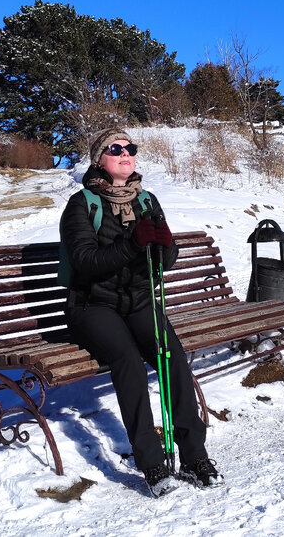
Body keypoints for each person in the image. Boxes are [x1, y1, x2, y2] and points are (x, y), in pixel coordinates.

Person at [59, 128, 223, 497]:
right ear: (99, 159)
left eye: (130, 147)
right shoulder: (82, 204)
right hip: (92, 305)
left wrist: (165, 248)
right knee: (128, 361)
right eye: (114, 148)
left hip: (138, 301)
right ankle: (151, 462)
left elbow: (163, 259)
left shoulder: (147, 200)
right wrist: (132, 244)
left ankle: (194, 456)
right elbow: (85, 262)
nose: (125, 153)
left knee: (172, 357)